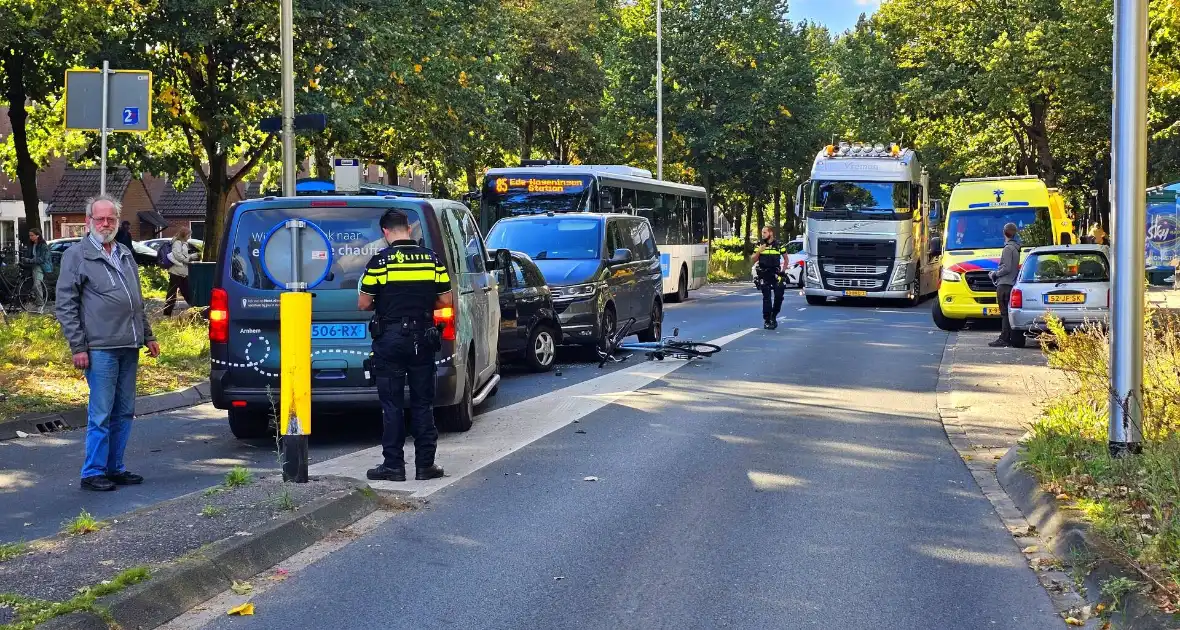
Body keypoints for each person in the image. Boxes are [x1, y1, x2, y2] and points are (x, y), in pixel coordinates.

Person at [55, 195, 160, 492]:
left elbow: (135, 302)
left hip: (129, 344)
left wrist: (148, 335)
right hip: (99, 347)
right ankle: (93, 472)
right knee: (101, 412)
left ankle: (115, 467)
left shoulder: (125, 253)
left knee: (124, 411)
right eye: (99, 219)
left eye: (110, 219)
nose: (105, 224)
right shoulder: (77, 255)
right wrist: (78, 347)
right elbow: (65, 305)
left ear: (117, 220)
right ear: (89, 221)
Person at [358, 209, 451, 482]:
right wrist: (420, 305)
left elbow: (364, 303)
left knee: (392, 405)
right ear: (409, 229)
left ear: (385, 232)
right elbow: (445, 301)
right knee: (423, 403)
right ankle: (425, 465)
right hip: (423, 338)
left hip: (390, 339)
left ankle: (393, 466)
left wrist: (387, 305)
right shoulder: (432, 260)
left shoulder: (380, 262)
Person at [988, 222, 1022, 348]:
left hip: (1004, 284)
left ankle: (1004, 338)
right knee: (1008, 312)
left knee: (1004, 313)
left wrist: (995, 274)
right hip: (1012, 283)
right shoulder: (1016, 248)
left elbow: (1006, 267)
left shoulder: (1008, 248)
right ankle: (1008, 336)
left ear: (1004, 232)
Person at [751, 226, 788, 329]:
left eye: (764, 232)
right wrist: (759, 251)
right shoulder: (759, 245)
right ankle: (767, 320)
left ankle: (774, 316)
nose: (762, 234)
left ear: (771, 233)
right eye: (762, 232)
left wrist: (783, 271)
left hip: (776, 274)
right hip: (764, 274)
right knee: (766, 298)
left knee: (779, 295)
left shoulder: (779, 245)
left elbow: (786, 259)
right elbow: (753, 259)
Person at [162, 228, 194, 317]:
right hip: (176, 272)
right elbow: (178, 256)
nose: (189, 237)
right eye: (188, 235)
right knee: (173, 293)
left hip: (182, 272)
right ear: (184, 235)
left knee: (186, 292)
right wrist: (190, 258)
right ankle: (167, 313)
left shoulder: (184, 243)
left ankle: (195, 309)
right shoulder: (177, 243)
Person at [21, 228, 51, 309]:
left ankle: (40, 304)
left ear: (37, 235)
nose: (30, 237)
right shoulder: (31, 245)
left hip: (41, 266)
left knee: (37, 284)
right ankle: (25, 300)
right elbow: (30, 255)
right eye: (29, 235)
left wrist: (30, 260)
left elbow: (42, 259)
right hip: (33, 265)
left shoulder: (43, 245)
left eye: (32, 235)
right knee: (25, 282)